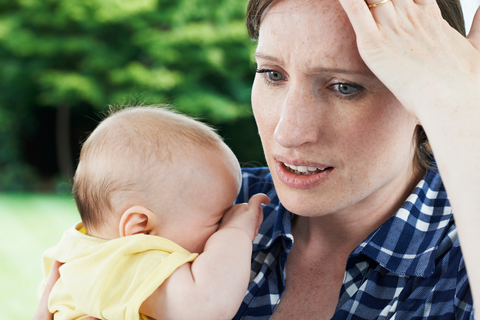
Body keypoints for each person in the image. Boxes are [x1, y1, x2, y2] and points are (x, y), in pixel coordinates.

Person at [34, 0, 480, 319]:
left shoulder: (460, 251)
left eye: (344, 87)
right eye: (271, 74)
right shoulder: (197, 201)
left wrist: (461, 105)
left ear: (424, 99)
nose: (288, 130)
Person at [36, 106, 269, 320]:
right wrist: (236, 231)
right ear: (141, 227)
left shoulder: (83, 253)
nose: (228, 219)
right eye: (219, 219)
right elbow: (208, 305)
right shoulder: (126, 262)